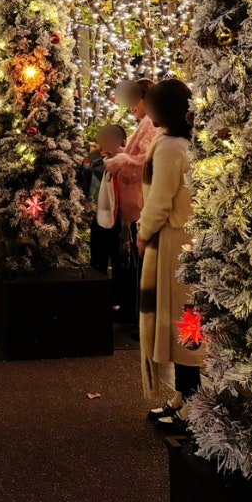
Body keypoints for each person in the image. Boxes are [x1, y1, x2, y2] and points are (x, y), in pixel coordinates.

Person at [137, 79, 204, 430]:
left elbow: (160, 201)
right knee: (184, 322)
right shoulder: (176, 143)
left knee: (186, 324)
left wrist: (143, 232)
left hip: (176, 246)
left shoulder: (170, 148)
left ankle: (193, 403)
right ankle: (184, 396)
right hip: (179, 242)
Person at [104, 78, 159, 321]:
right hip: (134, 202)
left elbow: (142, 161)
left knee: (138, 263)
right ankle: (129, 309)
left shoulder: (151, 125)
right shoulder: (146, 123)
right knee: (131, 262)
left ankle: (135, 313)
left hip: (139, 202)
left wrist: (117, 162)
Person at [88, 124, 127, 278]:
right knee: (98, 262)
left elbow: (104, 175)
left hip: (119, 219)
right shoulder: (102, 159)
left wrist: (94, 157)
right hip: (99, 217)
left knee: (118, 263)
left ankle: (117, 298)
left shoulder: (124, 160)